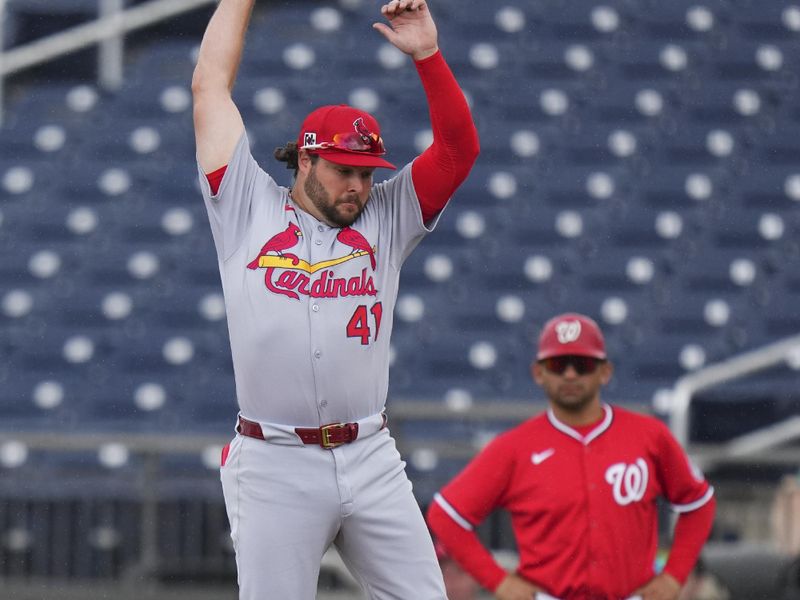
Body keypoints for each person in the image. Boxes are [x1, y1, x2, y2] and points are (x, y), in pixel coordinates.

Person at [191, 0, 479, 598]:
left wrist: (427, 55)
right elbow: (209, 87)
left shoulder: (386, 216)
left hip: (371, 453)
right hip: (275, 461)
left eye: (367, 171)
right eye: (343, 169)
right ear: (305, 158)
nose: (358, 185)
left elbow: (458, 150)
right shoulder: (246, 206)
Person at [427, 313, 716, 600]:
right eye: (558, 364)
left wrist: (673, 576)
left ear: (605, 371)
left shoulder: (649, 435)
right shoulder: (514, 447)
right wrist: (499, 581)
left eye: (582, 364)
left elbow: (698, 503)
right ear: (538, 373)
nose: (570, 374)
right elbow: (445, 515)